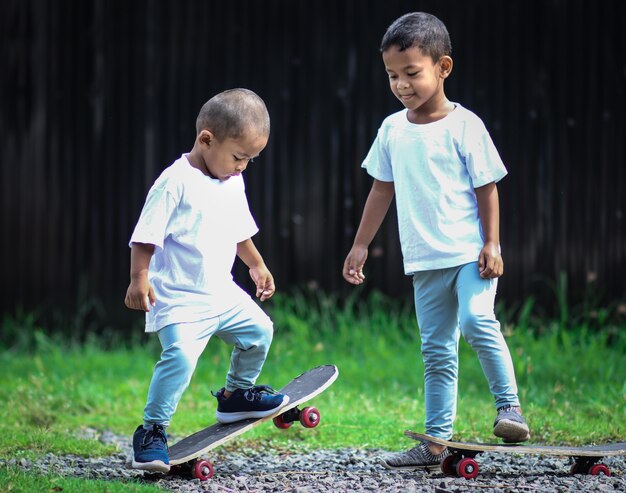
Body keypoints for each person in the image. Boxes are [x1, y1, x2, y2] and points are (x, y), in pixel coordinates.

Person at [342, 12, 530, 470]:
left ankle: (509, 408)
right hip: (424, 262)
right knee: (437, 350)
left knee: (477, 319)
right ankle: (435, 443)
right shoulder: (391, 130)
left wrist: (493, 244)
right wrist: (361, 244)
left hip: (470, 254)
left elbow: (488, 187)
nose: (401, 84)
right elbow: (381, 189)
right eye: (391, 75)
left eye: (411, 73)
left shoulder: (465, 125)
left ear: (443, 67)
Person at [125, 88, 289, 473]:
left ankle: (235, 394)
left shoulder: (231, 180)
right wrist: (139, 278)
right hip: (179, 298)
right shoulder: (174, 182)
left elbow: (238, 230)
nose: (242, 166)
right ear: (206, 139)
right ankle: (151, 432)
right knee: (179, 358)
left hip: (221, 292)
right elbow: (145, 235)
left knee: (260, 331)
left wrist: (257, 264)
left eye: (250, 159)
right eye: (238, 156)